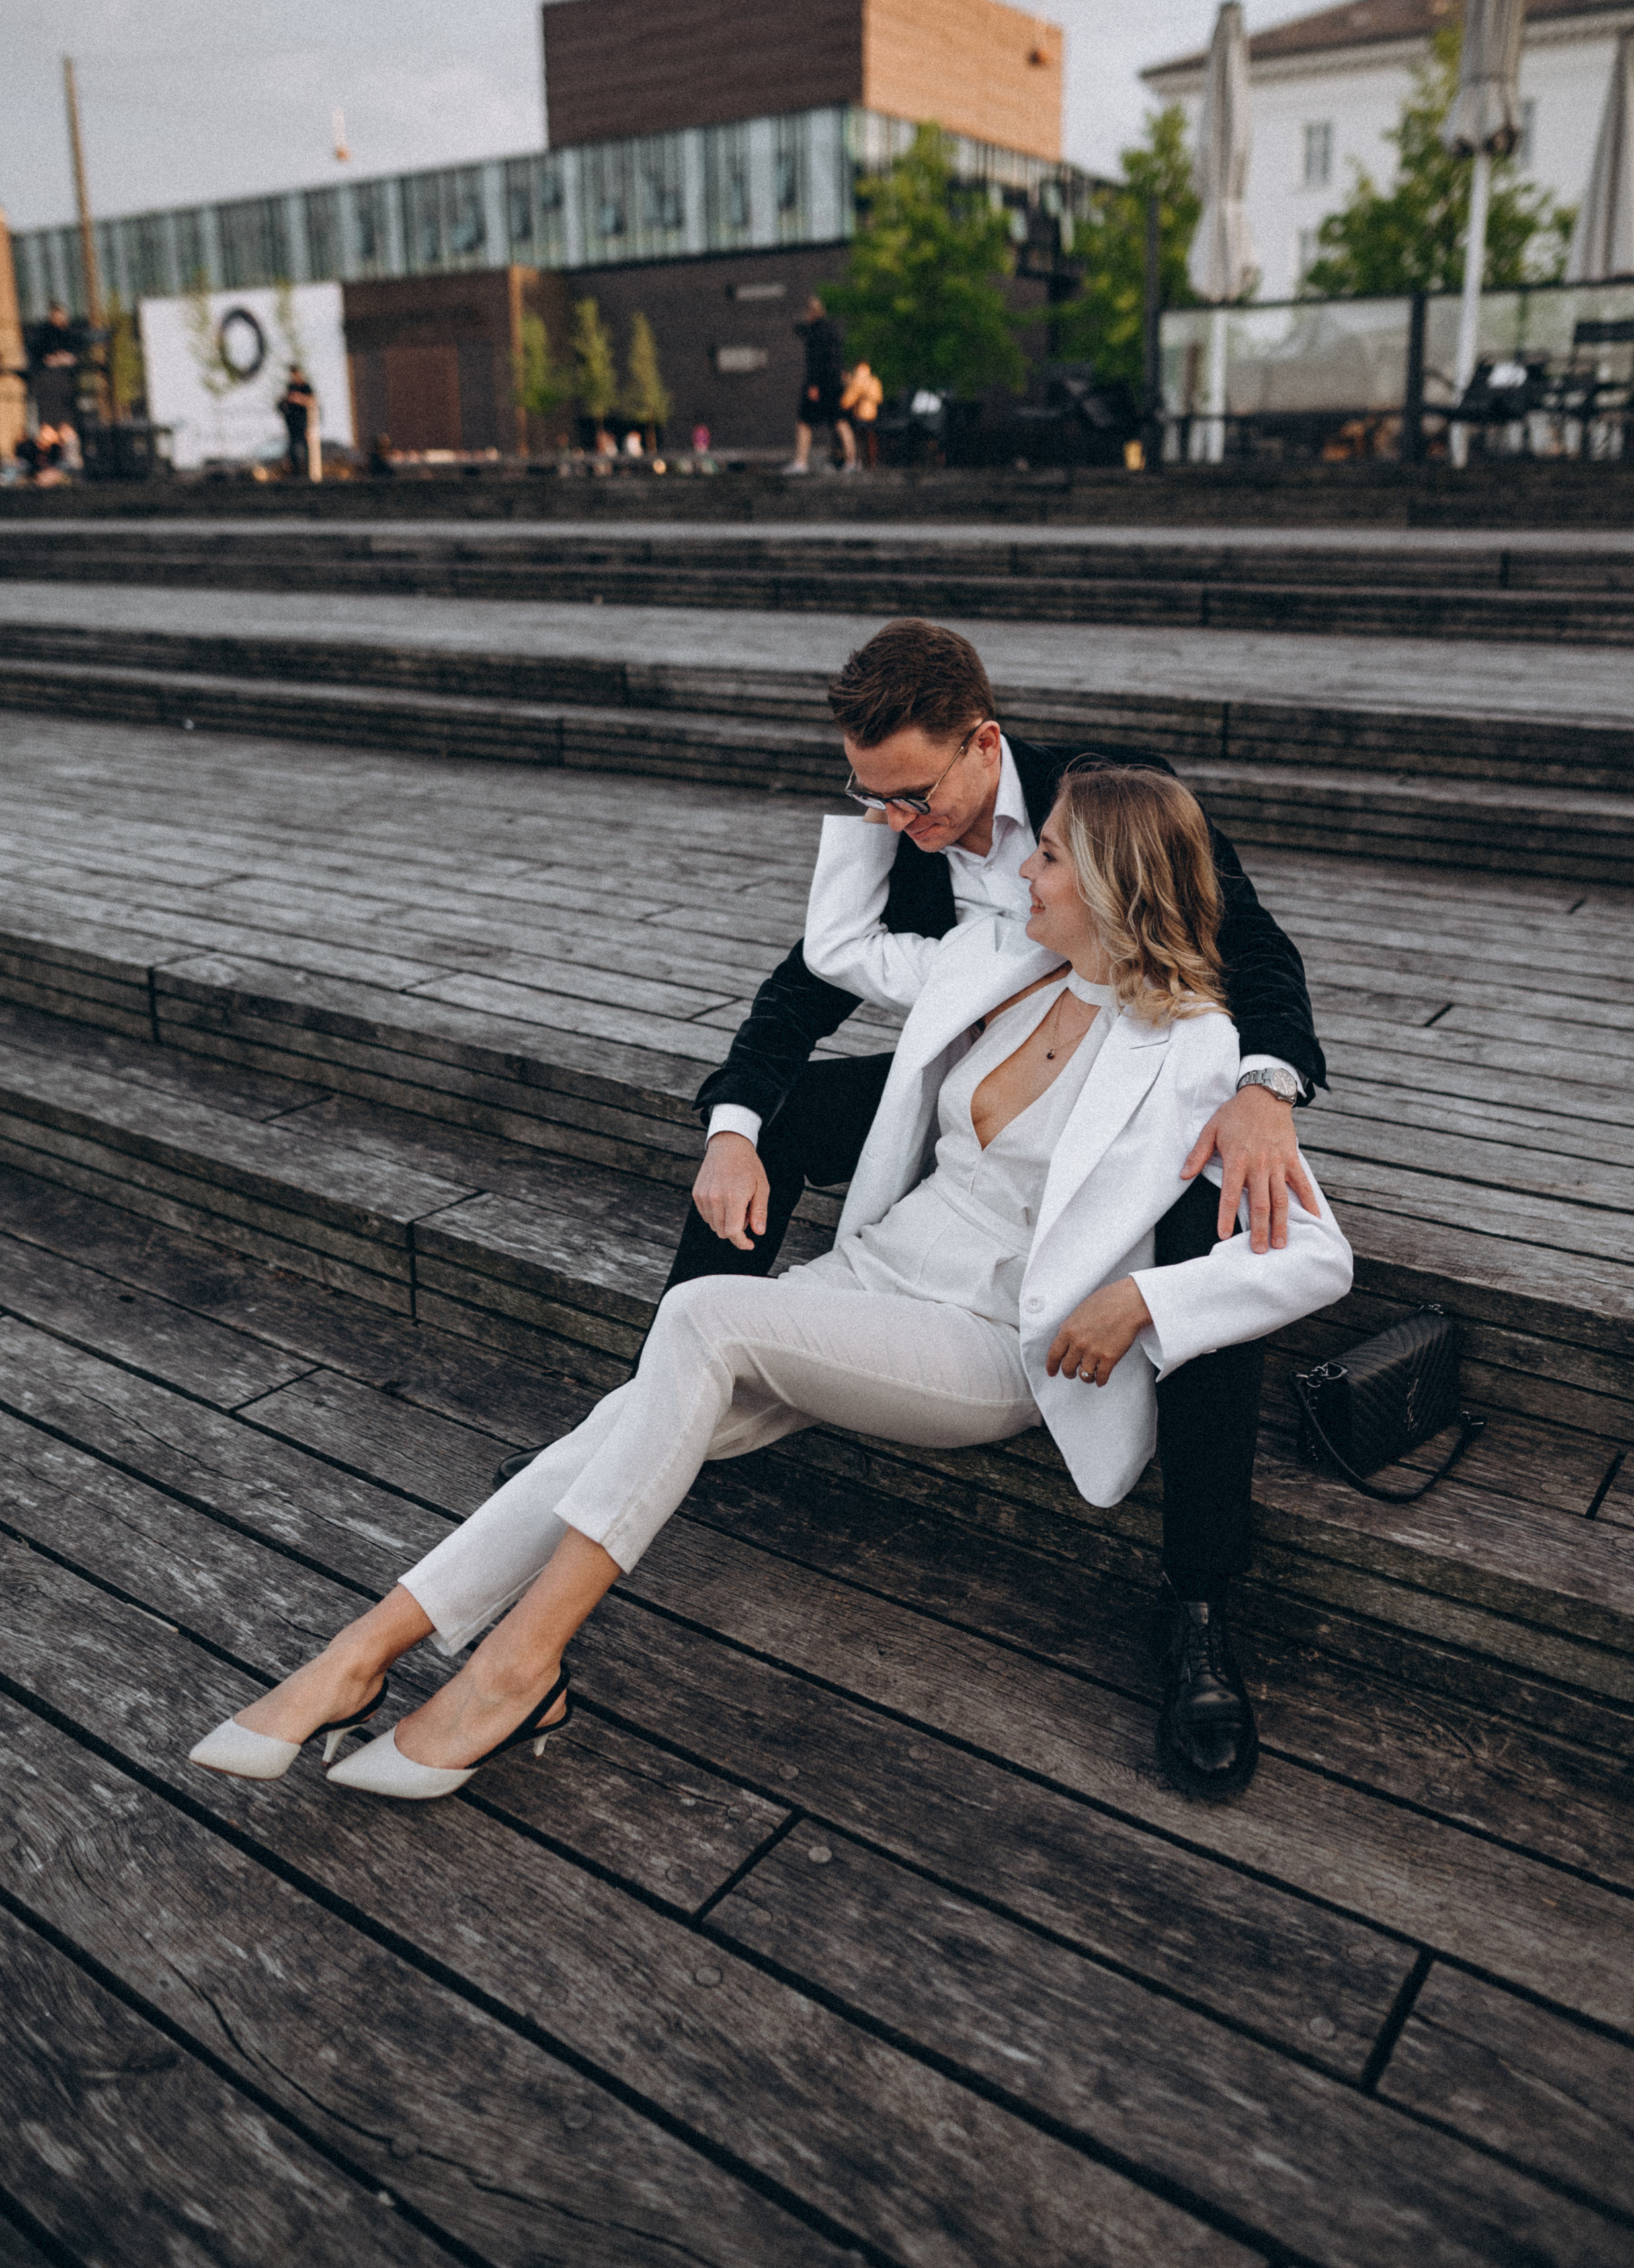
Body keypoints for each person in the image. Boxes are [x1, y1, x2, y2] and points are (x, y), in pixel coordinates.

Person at [188, 767, 1352, 1806]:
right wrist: (881, 803)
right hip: (869, 1279)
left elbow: (1314, 1254)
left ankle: (514, 1667)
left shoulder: (1197, 1052)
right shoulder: (996, 963)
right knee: (618, 1424)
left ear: (1107, 883)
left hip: (991, 1341)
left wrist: (1144, 1303)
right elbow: (836, 947)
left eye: (1045, 855)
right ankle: (360, 1653)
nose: (1018, 871)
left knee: (699, 1316)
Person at [784, 294, 852, 473]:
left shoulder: (815, 333)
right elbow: (838, 358)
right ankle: (851, 461)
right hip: (835, 382)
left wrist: (813, 385)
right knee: (840, 420)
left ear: (811, 312)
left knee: (804, 422)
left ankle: (801, 462)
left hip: (820, 384)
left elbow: (815, 361)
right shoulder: (833, 330)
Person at [841, 356, 883, 467]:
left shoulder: (873, 381)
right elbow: (847, 401)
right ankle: (860, 460)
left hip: (870, 415)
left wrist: (865, 392)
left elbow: (878, 397)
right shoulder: (856, 382)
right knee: (860, 439)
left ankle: (870, 461)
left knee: (869, 439)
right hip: (858, 415)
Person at [280, 367, 317, 480]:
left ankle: (307, 473)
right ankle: (295, 473)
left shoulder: (305, 387)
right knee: (293, 448)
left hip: (303, 423)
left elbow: (312, 401)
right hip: (292, 423)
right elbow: (285, 401)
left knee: (305, 448)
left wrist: (298, 399)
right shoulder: (290, 387)